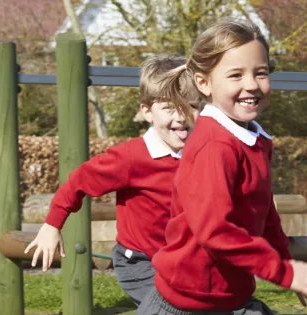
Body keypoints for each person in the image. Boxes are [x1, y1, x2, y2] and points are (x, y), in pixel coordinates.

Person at [137, 18, 307, 315]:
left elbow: (264, 213)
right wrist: (284, 273)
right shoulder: (214, 146)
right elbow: (214, 231)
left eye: (261, 73)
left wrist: (288, 265)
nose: (251, 85)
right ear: (204, 83)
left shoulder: (251, 139)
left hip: (229, 296)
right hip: (186, 304)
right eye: (235, 75)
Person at [24, 54, 202, 306]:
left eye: (191, 106)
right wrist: (52, 226)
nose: (181, 117)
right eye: (169, 107)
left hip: (185, 261)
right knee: (173, 306)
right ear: (147, 111)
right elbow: (79, 181)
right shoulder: (130, 158)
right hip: (141, 263)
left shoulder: (204, 154)